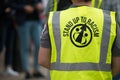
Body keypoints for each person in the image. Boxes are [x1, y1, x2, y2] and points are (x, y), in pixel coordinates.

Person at [38, 0, 120, 80]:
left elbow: (43, 60)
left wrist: (64, 71)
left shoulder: (53, 20)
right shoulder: (110, 21)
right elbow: (118, 65)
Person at [10, 0, 44, 79]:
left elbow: (39, 2)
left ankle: (36, 70)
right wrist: (24, 7)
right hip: (23, 21)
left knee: (39, 44)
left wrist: (39, 5)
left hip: (36, 20)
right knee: (25, 47)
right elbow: (11, 3)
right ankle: (26, 71)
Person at [0, 0, 19, 76]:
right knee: (0, 46)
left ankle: (8, 67)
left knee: (10, 46)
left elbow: (16, 6)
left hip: (11, 23)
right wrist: (5, 10)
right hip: (2, 22)